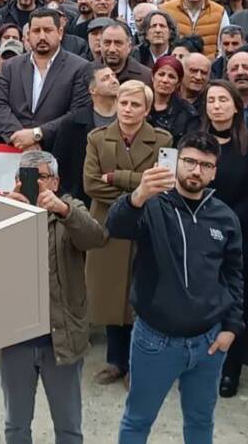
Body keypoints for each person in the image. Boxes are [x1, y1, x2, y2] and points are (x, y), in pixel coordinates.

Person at [107, 131, 243, 444]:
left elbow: (234, 275)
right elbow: (117, 227)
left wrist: (231, 328)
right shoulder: (153, 205)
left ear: (214, 172)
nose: (196, 170)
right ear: (175, 162)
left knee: (200, 422)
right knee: (137, 420)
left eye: (205, 165)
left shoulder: (225, 217)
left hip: (209, 341)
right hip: (155, 340)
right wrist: (137, 196)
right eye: (190, 162)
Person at [0, 150, 108, 444]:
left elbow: (96, 238)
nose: (35, 184)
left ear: (56, 181)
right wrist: (5, 217)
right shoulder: (3, 211)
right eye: (27, 177)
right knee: (16, 426)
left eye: (42, 177)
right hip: (15, 340)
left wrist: (63, 211)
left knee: (69, 426)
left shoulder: (71, 209)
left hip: (62, 337)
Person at [83, 80, 172, 388]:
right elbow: (91, 184)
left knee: (140, 298)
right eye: (124, 103)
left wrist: (117, 177)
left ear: (147, 109)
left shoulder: (163, 139)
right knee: (110, 296)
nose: (128, 109)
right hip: (107, 225)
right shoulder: (96, 138)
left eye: (136, 104)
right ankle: (115, 361)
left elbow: (161, 184)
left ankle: (139, 365)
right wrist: (137, 188)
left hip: (145, 225)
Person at [204, 81, 248, 398]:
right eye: (211, 100)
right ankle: (202, 365)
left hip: (242, 232)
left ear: (236, 106)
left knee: (234, 305)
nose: (216, 106)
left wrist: (229, 223)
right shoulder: (195, 142)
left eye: (222, 100)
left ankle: (231, 371)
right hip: (201, 230)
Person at [0, 8, 92, 151]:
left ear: (60, 33)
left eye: (48, 30)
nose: (42, 36)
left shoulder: (80, 68)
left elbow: (77, 113)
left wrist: (37, 134)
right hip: (16, 150)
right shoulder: (10, 67)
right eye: (36, 31)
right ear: (28, 35)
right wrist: (21, 138)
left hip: (60, 152)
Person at [51, 63, 120, 206]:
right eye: (106, 78)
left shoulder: (128, 117)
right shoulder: (72, 123)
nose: (114, 80)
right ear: (92, 89)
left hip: (122, 196)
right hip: (83, 202)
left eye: (114, 76)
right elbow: (60, 167)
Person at [146, 55, 199, 144]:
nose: (165, 80)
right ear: (152, 77)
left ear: (178, 83)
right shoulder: (141, 103)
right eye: (161, 74)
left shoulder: (187, 112)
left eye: (171, 76)